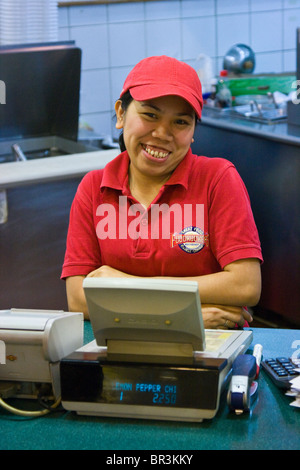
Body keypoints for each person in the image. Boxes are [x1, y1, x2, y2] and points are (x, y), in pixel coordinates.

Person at [61, 55, 263, 329]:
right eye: (150, 115)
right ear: (121, 113)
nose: (162, 133)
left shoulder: (217, 179)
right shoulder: (94, 189)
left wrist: (127, 285)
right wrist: (182, 318)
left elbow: (246, 285)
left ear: (192, 131)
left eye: (180, 122)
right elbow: (78, 300)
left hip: (215, 349)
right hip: (124, 348)